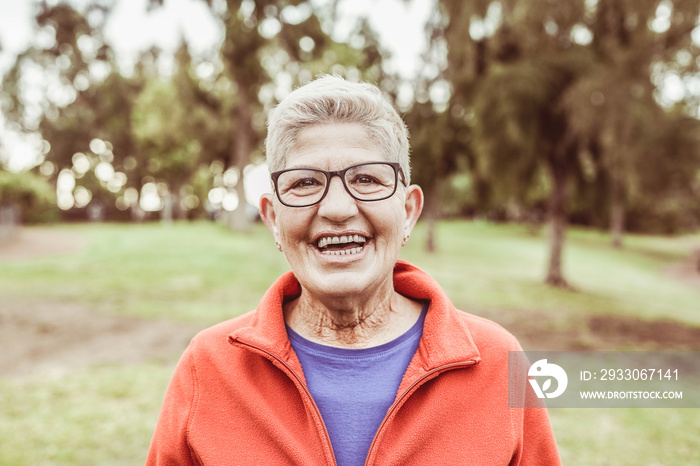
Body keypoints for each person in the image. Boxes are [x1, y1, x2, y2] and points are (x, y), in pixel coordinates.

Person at [146, 75, 561, 465]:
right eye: (305, 183)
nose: (338, 209)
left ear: (409, 212)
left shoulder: (499, 362)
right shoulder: (209, 366)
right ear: (273, 218)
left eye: (366, 179)